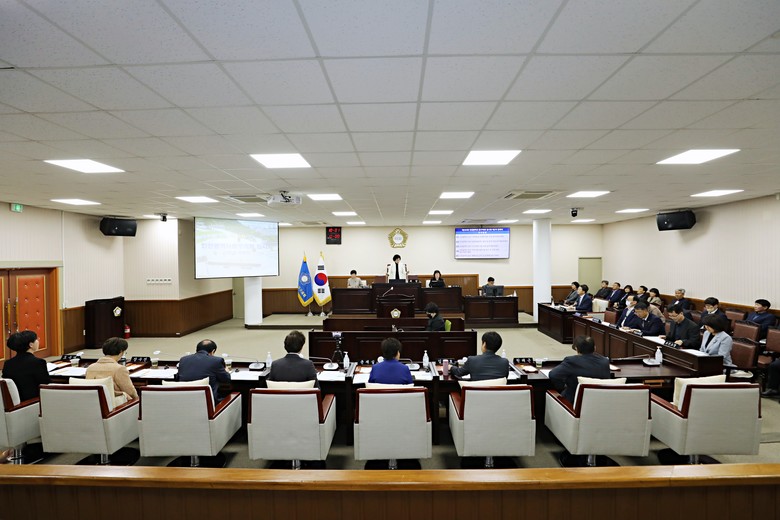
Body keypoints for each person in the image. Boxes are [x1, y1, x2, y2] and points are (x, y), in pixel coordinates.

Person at [548, 335, 610, 403]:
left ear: (576, 349)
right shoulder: (605, 361)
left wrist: (562, 387)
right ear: (595, 348)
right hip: (600, 402)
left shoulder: (571, 361)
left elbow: (553, 374)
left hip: (573, 403)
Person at [1, 330, 50, 402]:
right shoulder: (38, 362)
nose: (38, 340)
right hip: (33, 401)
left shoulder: (8, 363)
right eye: (36, 339)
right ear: (31, 344)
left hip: (15, 401)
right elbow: (45, 384)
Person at [85, 337, 138, 402]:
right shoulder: (119, 369)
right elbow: (131, 392)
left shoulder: (90, 368)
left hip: (93, 402)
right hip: (114, 404)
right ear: (121, 352)